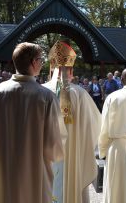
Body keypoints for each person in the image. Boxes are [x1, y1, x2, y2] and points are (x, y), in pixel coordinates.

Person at [0, 42, 65, 203]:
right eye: (41, 59)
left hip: (4, 166)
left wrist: (5, 149)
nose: (42, 63)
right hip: (35, 169)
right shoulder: (46, 96)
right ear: (34, 62)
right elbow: (54, 144)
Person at [43, 39, 101, 203]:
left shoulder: (41, 91)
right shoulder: (81, 94)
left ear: (52, 68)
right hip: (73, 154)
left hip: (48, 152)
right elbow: (95, 125)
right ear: (71, 69)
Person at [98, 67, 126, 203]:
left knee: (116, 188)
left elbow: (104, 127)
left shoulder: (113, 97)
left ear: (121, 80)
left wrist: (102, 151)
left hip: (117, 148)